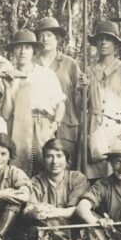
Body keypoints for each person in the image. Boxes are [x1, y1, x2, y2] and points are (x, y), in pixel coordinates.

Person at [1, 29, 66, 177]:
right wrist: (7, 88)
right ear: (13, 51)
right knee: (19, 166)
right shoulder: (8, 75)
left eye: (27, 47)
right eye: (18, 47)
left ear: (34, 51)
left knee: (46, 164)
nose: (23, 51)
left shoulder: (46, 74)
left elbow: (60, 104)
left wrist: (55, 124)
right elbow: (6, 113)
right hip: (18, 124)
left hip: (43, 123)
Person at [80, 21, 121, 180]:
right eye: (100, 39)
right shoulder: (88, 71)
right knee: (93, 175)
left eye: (108, 39)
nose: (103, 42)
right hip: (94, 128)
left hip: (117, 129)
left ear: (115, 44)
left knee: (116, 172)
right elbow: (81, 104)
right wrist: (83, 88)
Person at [33, 17, 82, 169]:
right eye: (41, 35)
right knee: (39, 165)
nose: (44, 38)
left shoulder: (69, 64)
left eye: (49, 35)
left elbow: (79, 99)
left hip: (65, 127)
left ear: (58, 38)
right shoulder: (31, 63)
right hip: (39, 127)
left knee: (65, 168)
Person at [24, 139, 89, 228]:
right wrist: (35, 211)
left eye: (59, 156)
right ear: (43, 159)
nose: (54, 161)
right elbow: (28, 210)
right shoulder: (36, 181)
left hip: (76, 228)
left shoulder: (77, 179)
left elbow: (78, 210)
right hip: (48, 229)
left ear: (67, 159)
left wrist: (54, 212)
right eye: (49, 156)